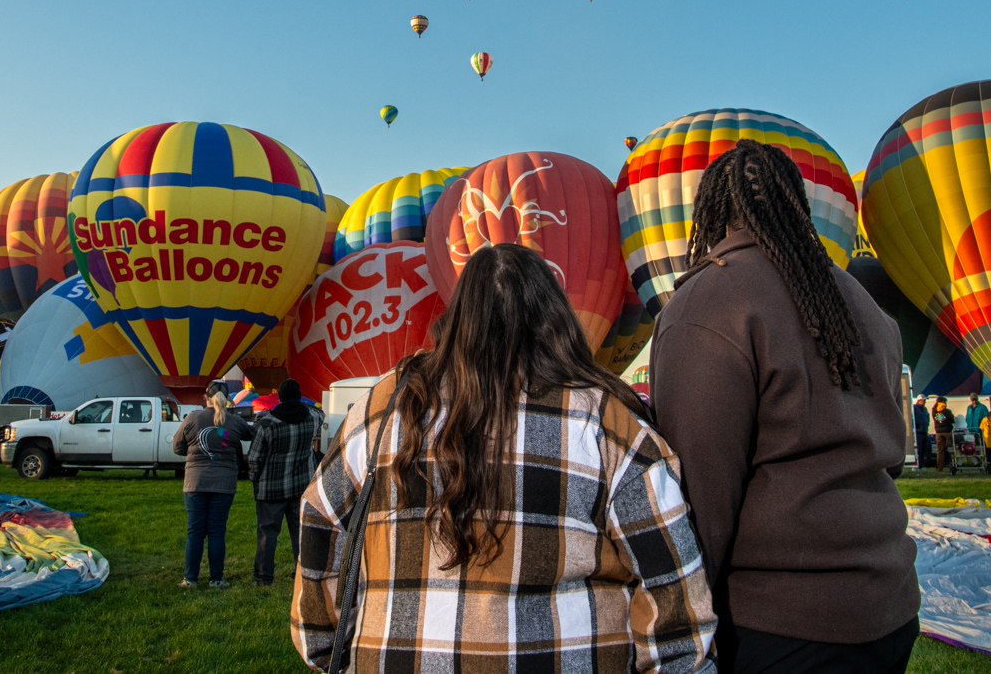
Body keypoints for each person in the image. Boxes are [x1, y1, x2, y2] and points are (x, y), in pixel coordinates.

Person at [294, 242, 718, 673]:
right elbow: (670, 581)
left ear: (457, 316)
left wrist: (328, 645)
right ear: (555, 318)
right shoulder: (608, 422)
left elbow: (319, 518)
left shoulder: (384, 407)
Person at [649, 139, 918, 673]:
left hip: (779, 623)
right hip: (889, 603)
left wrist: (677, 621)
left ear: (710, 213)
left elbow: (699, 489)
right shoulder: (858, 299)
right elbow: (890, 452)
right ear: (798, 206)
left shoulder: (708, 301)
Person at [172, 381, 254, 589]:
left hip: (195, 482)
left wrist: (192, 453)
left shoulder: (192, 419)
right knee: (217, 531)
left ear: (205, 397)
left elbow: (177, 447)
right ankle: (216, 578)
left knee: (195, 531)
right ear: (226, 399)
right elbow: (251, 434)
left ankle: (190, 579)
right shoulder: (234, 421)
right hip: (224, 482)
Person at [248, 378, 322, 586]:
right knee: (300, 532)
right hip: (301, 486)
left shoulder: (267, 424)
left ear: (279, 398)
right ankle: (302, 572)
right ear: (298, 396)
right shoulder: (311, 419)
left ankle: (263, 577)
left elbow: (254, 459)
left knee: (267, 534)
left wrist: (255, 479)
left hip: (271, 488)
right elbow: (319, 412)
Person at [931, 397, 955, 471]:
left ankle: (939, 468)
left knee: (940, 451)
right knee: (951, 449)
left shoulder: (934, 411)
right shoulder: (947, 411)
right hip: (947, 432)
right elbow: (952, 420)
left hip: (938, 433)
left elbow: (937, 419)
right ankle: (953, 465)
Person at [911, 395, 931, 469]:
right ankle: (916, 465)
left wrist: (927, 424)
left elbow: (927, 417)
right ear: (919, 400)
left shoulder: (925, 409)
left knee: (923, 449)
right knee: (918, 449)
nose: (924, 402)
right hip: (918, 432)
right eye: (923, 400)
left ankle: (922, 464)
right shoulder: (914, 408)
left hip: (924, 431)